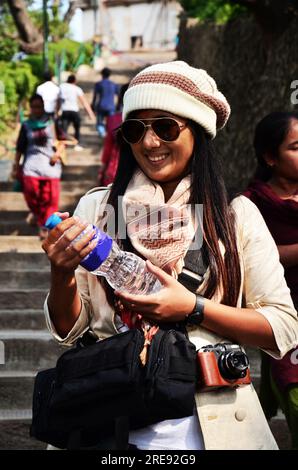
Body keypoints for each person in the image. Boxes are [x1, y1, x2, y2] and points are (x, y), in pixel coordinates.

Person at [42, 61, 298, 450]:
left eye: (165, 126)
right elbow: (69, 330)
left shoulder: (234, 216)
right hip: (107, 424)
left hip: (215, 428)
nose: (149, 143)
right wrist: (60, 273)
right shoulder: (98, 210)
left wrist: (193, 308)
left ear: (197, 131)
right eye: (135, 129)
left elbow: (282, 327)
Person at [243, 111, 298, 449]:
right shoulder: (251, 206)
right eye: (296, 146)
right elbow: (256, 258)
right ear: (270, 157)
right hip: (283, 319)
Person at [12, 94, 64, 240]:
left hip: (51, 166)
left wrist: (57, 154)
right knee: (31, 194)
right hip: (31, 166)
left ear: (43, 106)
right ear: (30, 108)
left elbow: (63, 141)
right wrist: (16, 166)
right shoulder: (26, 125)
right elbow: (20, 148)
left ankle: (44, 226)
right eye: (34, 107)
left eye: (39, 106)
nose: (36, 110)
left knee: (51, 199)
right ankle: (38, 216)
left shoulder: (52, 122)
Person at [98, 82, 129, 186]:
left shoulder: (114, 120)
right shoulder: (148, 120)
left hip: (115, 170)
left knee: (116, 200)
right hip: (140, 174)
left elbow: (108, 146)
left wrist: (102, 169)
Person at [59, 74, 96, 151]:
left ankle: (63, 145)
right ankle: (77, 144)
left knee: (64, 130)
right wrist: (91, 114)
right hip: (74, 111)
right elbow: (84, 102)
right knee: (77, 128)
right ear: (74, 81)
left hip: (65, 110)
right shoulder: (76, 88)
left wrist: (57, 111)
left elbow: (58, 100)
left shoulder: (62, 87)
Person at [91, 67, 120, 138]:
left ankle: (103, 135)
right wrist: (118, 106)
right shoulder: (114, 85)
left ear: (102, 74)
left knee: (100, 123)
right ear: (109, 75)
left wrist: (93, 106)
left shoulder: (98, 84)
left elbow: (95, 97)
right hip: (111, 107)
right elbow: (119, 96)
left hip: (100, 106)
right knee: (111, 123)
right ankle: (110, 137)